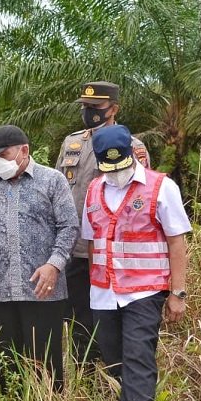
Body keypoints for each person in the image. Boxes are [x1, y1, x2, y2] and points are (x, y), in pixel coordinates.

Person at [82, 124, 189, 401]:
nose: (116, 174)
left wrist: (177, 293)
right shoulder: (93, 190)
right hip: (104, 292)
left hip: (145, 290)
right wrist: (94, 282)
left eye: (121, 165)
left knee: (139, 354)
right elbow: (91, 243)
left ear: (132, 154)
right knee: (114, 356)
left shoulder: (161, 187)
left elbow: (177, 241)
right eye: (108, 167)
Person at [0, 125, 78, 395]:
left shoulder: (52, 180)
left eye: (3, 155)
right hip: (2, 291)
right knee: (5, 365)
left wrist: (54, 264)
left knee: (46, 363)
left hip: (43, 291)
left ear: (24, 151)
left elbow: (69, 227)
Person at [55, 81, 151, 371]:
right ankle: (85, 378)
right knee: (77, 320)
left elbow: (141, 198)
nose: (89, 113)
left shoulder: (132, 146)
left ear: (114, 109)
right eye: (86, 107)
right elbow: (61, 190)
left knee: (110, 321)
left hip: (112, 252)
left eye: (96, 108)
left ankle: (115, 375)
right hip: (75, 249)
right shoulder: (72, 143)